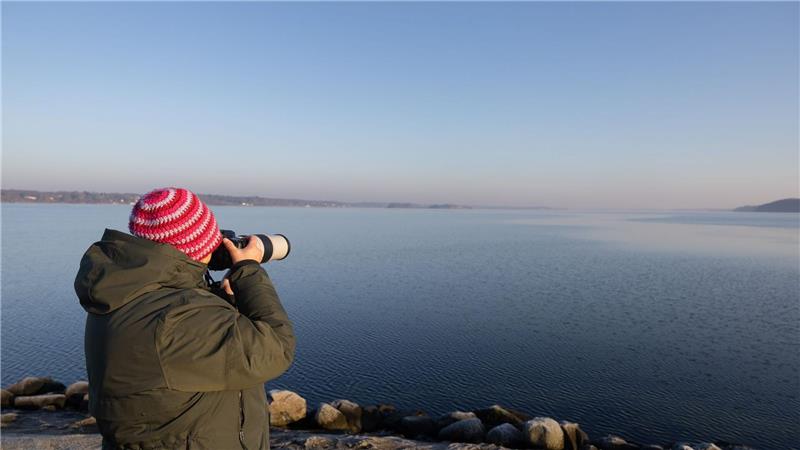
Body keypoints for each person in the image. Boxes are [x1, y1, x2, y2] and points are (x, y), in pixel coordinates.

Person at [75, 187, 296, 450]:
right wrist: (248, 270)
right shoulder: (175, 319)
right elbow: (276, 348)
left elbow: (185, 355)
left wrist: (225, 302)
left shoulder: (125, 292)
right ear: (194, 247)